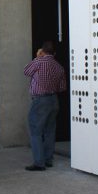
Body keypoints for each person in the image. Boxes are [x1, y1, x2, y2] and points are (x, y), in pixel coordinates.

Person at [23, 41, 67, 171]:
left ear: (42, 51)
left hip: (40, 100)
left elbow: (26, 71)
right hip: (53, 100)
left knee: (35, 131)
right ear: (54, 53)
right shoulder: (59, 67)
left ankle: (39, 162)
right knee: (49, 130)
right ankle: (48, 159)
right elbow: (62, 87)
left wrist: (37, 57)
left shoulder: (39, 61)